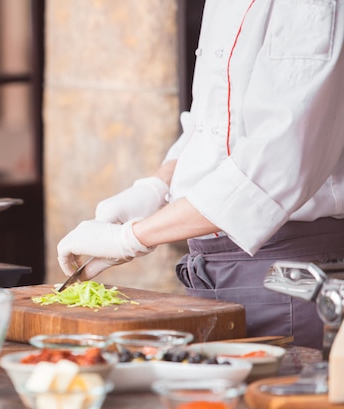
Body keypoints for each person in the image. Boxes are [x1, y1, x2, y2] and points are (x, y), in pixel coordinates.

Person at [56, 0, 344, 350]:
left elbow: (273, 166)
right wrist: (157, 185)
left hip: (286, 279)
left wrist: (131, 238)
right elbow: (214, 127)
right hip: (213, 275)